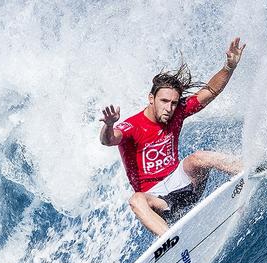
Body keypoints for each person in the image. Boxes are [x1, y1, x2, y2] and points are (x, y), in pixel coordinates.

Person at [99, 37, 246, 236]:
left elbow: (209, 92)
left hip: (185, 186)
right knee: (136, 200)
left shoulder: (177, 112)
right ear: (151, 99)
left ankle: (249, 171)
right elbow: (108, 140)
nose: (169, 108)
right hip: (158, 199)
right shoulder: (132, 126)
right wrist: (109, 125)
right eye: (164, 101)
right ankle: (171, 239)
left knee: (199, 157)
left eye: (174, 103)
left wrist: (229, 67)